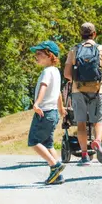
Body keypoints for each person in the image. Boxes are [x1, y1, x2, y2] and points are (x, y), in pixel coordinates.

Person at [63, 22, 102, 165]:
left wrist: (78, 80)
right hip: (97, 90)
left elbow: (67, 74)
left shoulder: (74, 49)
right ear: (94, 34)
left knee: (81, 123)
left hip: (78, 90)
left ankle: (85, 156)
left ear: (81, 34)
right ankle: (97, 141)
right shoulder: (101, 49)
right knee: (98, 120)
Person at [28, 40, 69, 184]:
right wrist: (61, 108)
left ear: (50, 55)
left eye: (39, 54)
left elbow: (44, 87)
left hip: (43, 112)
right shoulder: (56, 72)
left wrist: (37, 103)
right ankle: (57, 176)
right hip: (53, 113)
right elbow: (57, 92)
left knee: (33, 141)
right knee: (48, 144)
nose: (36, 56)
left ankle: (55, 166)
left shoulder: (47, 72)